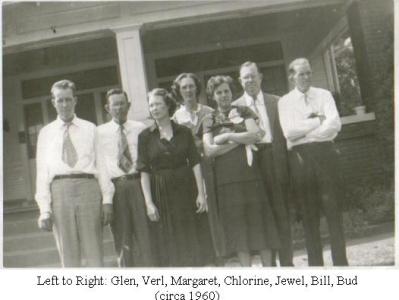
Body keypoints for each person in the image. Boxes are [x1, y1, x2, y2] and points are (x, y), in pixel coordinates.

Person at [203, 75, 280, 266]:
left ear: (232, 92)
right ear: (213, 96)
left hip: (251, 176)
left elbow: (255, 135)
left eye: (226, 91)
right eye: (218, 92)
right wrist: (239, 139)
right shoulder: (209, 119)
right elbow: (209, 150)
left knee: (260, 227)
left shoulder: (244, 110)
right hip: (226, 182)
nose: (223, 95)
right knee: (239, 232)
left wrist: (228, 136)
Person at [278, 58, 348, 266]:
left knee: (333, 213)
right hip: (302, 162)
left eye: (308, 72)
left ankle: (342, 266)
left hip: (326, 157)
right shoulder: (285, 102)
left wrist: (306, 134)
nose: (307, 77)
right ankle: (316, 268)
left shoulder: (324, 95)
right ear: (292, 77)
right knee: (309, 218)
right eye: (301, 74)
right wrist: (318, 120)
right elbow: (289, 132)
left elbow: (335, 124)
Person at [137, 88, 210, 267]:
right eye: (151, 105)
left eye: (158, 104)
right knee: (168, 242)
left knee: (190, 238)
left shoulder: (183, 132)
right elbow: (144, 170)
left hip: (186, 189)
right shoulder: (145, 136)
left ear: (168, 105)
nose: (154, 108)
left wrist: (201, 193)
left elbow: (195, 162)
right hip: (161, 192)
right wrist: (148, 203)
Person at [35, 79, 103, 267]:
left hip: (88, 188)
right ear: (53, 102)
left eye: (68, 99)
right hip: (60, 190)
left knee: (94, 252)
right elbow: (42, 172)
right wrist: (44, 209)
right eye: (60, 100)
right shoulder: (46, 133)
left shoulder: (90, 128)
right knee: (68, 255)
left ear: (75, 100)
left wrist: (107, 200)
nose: (64, 104)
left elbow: (102, 166)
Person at [233, 61, 293, 266]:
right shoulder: (235, 108)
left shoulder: (277, 101)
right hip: (250, 164)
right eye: (245, 77)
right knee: (261, 217)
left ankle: (286, 265)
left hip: (274, 159)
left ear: (260, 77)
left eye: (252, 75)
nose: (249, 80)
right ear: (240, 81)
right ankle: (270, 266)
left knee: (281, 213)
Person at [96, 88, 153, 267]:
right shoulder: (99, 133)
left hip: (138, 184)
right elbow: (100, 166)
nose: (119, 108)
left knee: (146, 237)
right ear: (107, 108)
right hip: (116, 188)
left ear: (128, 105)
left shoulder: (140, 129)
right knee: (122, 239)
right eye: (115, 105)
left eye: (122, 104)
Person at [171, 73, 222, 263]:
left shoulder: (209, 112)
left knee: (215, 208)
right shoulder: (175, 118)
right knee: (198, 209)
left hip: (211, 165)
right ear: (179, 91)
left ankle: (220, 254)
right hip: (190, 170)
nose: (188, 91)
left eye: (191, 86)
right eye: (184, 87)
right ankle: (204, 255)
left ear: (197, 88)